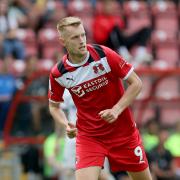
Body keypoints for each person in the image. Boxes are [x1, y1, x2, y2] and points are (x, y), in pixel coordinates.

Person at [48, 16, 152, 180]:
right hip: (89, 136)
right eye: (75, 37)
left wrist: (116, 110)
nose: (81, 41)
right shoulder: (58, 73)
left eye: (83, 35)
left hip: (123, 133)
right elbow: (54, 106)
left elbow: (137, 83)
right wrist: (65, 124)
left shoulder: (104, 54)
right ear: (63, 41)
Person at [92, 0, 152, 67]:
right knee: (114, 30)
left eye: (112, 5)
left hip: (121, 43)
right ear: (103, 7)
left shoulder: (117, 18)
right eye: (108, 5)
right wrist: (110, 30)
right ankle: (124, 55)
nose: (111, 7)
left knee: (146, 29)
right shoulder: (99, 20)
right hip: (107, 45)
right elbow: (98, 38)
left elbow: (121, 33)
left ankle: (140, 53)